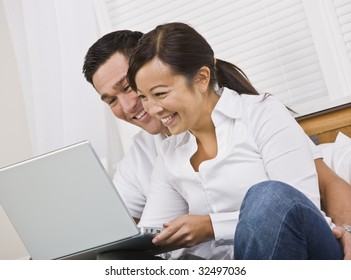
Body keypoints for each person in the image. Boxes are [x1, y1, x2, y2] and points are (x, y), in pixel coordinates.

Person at [83, 30, 351, 259]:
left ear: (200, 79)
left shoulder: (260, 112)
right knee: (119, 257)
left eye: (159, 94)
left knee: (266, 197)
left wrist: (212, 226)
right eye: (144, 96)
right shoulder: (167, 151)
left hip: (307, 250)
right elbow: (154, 234)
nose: (148, 108)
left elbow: (296, 209)